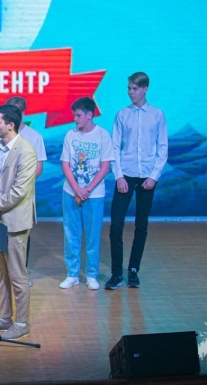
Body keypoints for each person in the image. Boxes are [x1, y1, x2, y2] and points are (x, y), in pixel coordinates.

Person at [0, 104, 37, 341]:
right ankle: (4, 318)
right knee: (0, 272)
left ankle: (21, 323)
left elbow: (19, 192)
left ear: (10, 125)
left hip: (14, 221)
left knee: (17, 274)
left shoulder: (26, 151)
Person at [106, 72, 168, 290]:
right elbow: (114, 147)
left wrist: (154, 176)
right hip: (126, 174)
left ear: (145, 89)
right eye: (129, 88)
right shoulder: (122, 115)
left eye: (134, 88)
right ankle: (116, 274)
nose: (130, 92)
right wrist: (118, 176)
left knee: (141, 225)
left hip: (147, 176)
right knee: (116, 226)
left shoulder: (157, 115)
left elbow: (163, 148)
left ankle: (133, 270)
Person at [0, 96, 46, 288]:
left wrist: (17, 185)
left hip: (18, 201)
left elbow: (37, 168)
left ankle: (20, 276)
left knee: (18, 244)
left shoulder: (32, 139)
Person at [59, 97, 114, 291]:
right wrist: (77, 189)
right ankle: (72, 274)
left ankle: (91, 274)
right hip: (71, 192)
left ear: (90, 115)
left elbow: (105, 167)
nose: (75, 119)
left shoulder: (103, 135)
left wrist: (87, 190)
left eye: (78, 115)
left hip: (94, 195)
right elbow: (66, 164)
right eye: (74, 115)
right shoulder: (70, 135)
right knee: (71, 234)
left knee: (92, 236)